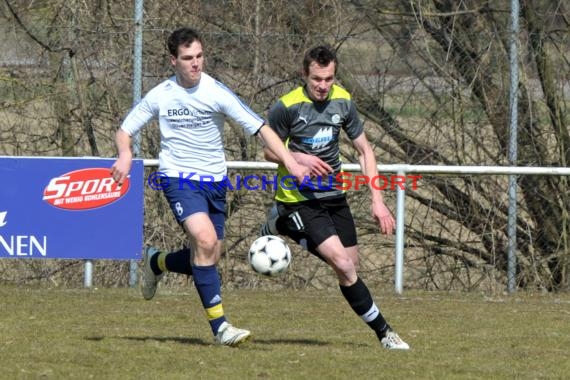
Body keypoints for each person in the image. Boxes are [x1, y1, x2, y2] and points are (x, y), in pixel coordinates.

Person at [110, 27, 309, 347]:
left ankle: (156, 261)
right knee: (204, 240)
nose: (195, 64)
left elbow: (261, 129)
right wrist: (125, 153)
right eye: (188, 58)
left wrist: (291, 162)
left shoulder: (217, 92)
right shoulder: (161, 94)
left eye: (200, 56)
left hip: (216, 184)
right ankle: (221, 328)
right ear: (173, 60)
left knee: (208, 254)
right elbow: (125, 130)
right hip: (178, 179)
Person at [259, 45, 410, 350]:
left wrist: (377, 200)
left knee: (350, 266)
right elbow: (266, 151)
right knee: (343, 264)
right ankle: (385, 333)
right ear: (305, 74)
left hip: (335, 196)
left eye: (328, 79)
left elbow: (365, 151)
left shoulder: (343, 101)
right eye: (317, 79)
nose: (323, 86)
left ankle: (285, 226)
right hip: (299, 197)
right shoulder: (286, 106)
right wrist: (298, 157)